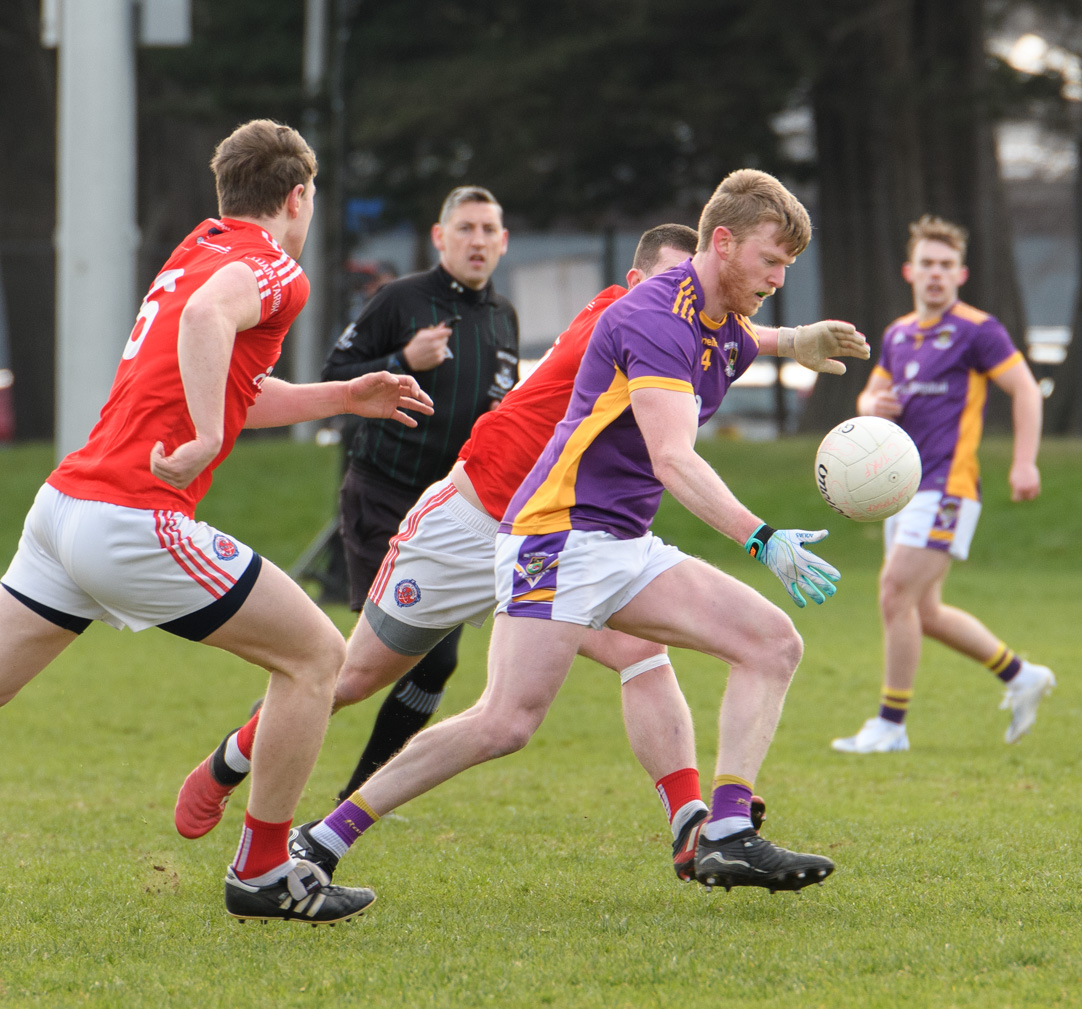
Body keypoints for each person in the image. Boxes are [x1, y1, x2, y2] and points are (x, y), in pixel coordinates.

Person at [175, 222, 863, 881]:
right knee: (352, 678)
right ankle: (232, 760)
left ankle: (695, 824)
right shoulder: (634, 316)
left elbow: (728, 328)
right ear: (634, 282)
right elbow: (683, 418)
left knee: (637, 653)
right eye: (670, 281)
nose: (684, 297)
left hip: (575, 536)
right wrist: (777, 350)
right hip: (472, 522)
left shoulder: (693, 324)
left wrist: (791, 338)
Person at [0, 120, 431, 925]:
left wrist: (344, 394)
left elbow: (230, 377)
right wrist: (201, 439)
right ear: (299, 195)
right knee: (316, 657)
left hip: (62, 510)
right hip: (131, 518)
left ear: (224, 191)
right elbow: (206, 324)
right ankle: (264, 870)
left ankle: (251, 835)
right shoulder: (275, 268)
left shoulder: (198, 245)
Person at [831, 214, 1056, 755]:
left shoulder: (978, 330)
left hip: (949, 487)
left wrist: (1024, 462)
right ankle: (1021, 675)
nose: (936, 274)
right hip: (902, 491)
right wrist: (870, 405)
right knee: (921, 611)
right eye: (927, 264)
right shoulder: (898, 334)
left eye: (946, 265)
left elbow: (1025, 390)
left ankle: (890, 725)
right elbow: (870, 395)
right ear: (910, 271)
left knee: (892, 593)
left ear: (962, 274)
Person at [322, 186, 519, 800]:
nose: (478, 240)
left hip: (457, 512)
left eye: (489, 229)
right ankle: (244, 752)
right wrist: (403, 358)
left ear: (504, 241)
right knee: (373, 667)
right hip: (381, 497)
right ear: (440, 236)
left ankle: (358, 794)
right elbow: (331, 379)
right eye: (465, 228)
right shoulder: (401, 299)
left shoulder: (502, 316)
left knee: (434, 661)